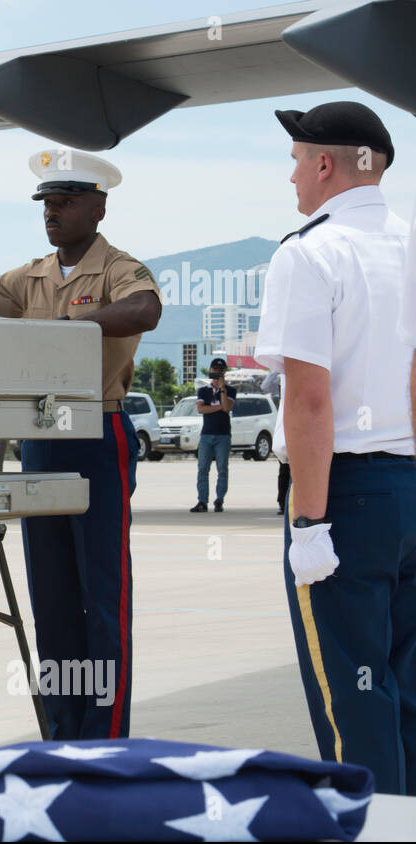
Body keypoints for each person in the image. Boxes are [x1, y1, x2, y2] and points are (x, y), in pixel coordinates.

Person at [0, 149, 161, 740]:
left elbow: (145, 309)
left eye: (65, 201)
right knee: (54, 596)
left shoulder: (118, 267)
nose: (53, 212)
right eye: (47, 202)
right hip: (41, 438)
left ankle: (105, 733)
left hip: (97, 433)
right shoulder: (30, 276)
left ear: (99, 206)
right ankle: (64, 730)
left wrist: (62, 334)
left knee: (103, 593)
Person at [254, 101, 415, 795]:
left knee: (353, 696)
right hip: (407, 488)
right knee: (405, 685)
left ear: (325, 163)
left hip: (343, 496)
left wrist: (311, 523)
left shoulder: (308, 253)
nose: (291, 176)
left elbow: (310, 400)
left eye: (296, 160)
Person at [191, 357, 236, 512]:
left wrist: (222, 388)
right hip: (206, 435)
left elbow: (227, 407)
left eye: (221, 370)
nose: (217, 373)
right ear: (210, 371)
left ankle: (219, 500)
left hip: (223, 435)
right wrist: (219, 408)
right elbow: (201, 409)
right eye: (215, 370)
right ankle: (202, 501)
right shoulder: (203, 390)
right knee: (203, 468)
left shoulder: (230, 390)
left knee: (222, 468)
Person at [261, 368, 290, 514]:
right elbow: (265, 386)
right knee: (284, 468)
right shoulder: (281, 374)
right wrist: (278, 368)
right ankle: (283, 502)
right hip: (285, 422)